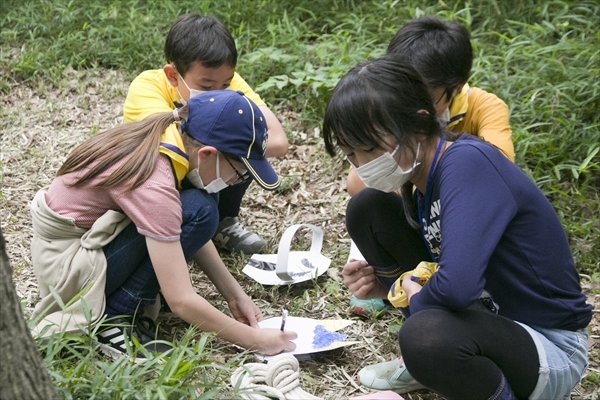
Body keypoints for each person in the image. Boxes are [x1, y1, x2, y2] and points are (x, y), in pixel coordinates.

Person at [322, 55, 591, 399]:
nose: (362, 165)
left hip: (549, 345)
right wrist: (388, 289)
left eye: (371, 148)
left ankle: (449, 359)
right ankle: (438, 363)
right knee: (368, 208)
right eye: (351, 153)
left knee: (424, 334)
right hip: (490, 322)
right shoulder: (419, 181)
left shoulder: (467, 164)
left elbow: (457, 288)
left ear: (419, 123)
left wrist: (416, 301)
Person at [30, 90, 297, 360]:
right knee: (201, 207)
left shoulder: (172, 136)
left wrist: (234, 295)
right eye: (240, 174)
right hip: (71, 269)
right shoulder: (153, 181)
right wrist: (255, 340)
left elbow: (180, 226)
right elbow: (181, 299)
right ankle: (115, 316)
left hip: (83, 248)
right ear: (207, 154)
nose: (236, 183)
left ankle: (121, 301)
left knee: (201, 203)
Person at [347, 16, 514, 318]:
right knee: (364, 199)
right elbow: (359, 179)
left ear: (456, 87)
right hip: (429, 225)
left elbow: (497, 165)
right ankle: (401, 293)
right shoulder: (390, 114)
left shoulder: (485, 108)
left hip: (468, 228)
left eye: (423, 93)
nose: (410, 106)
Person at [123, 13, 289, 254]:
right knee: (235, 137)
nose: (219, 93)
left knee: (244, 136)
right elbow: (171, 153)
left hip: (203, 169)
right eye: (206, 86)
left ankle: (224, 221)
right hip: (158, 187)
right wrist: (226, 136)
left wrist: (230, 136)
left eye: (224, 86)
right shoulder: (148, 87)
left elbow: (277, 140)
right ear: (172, 75)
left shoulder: (227, 81)